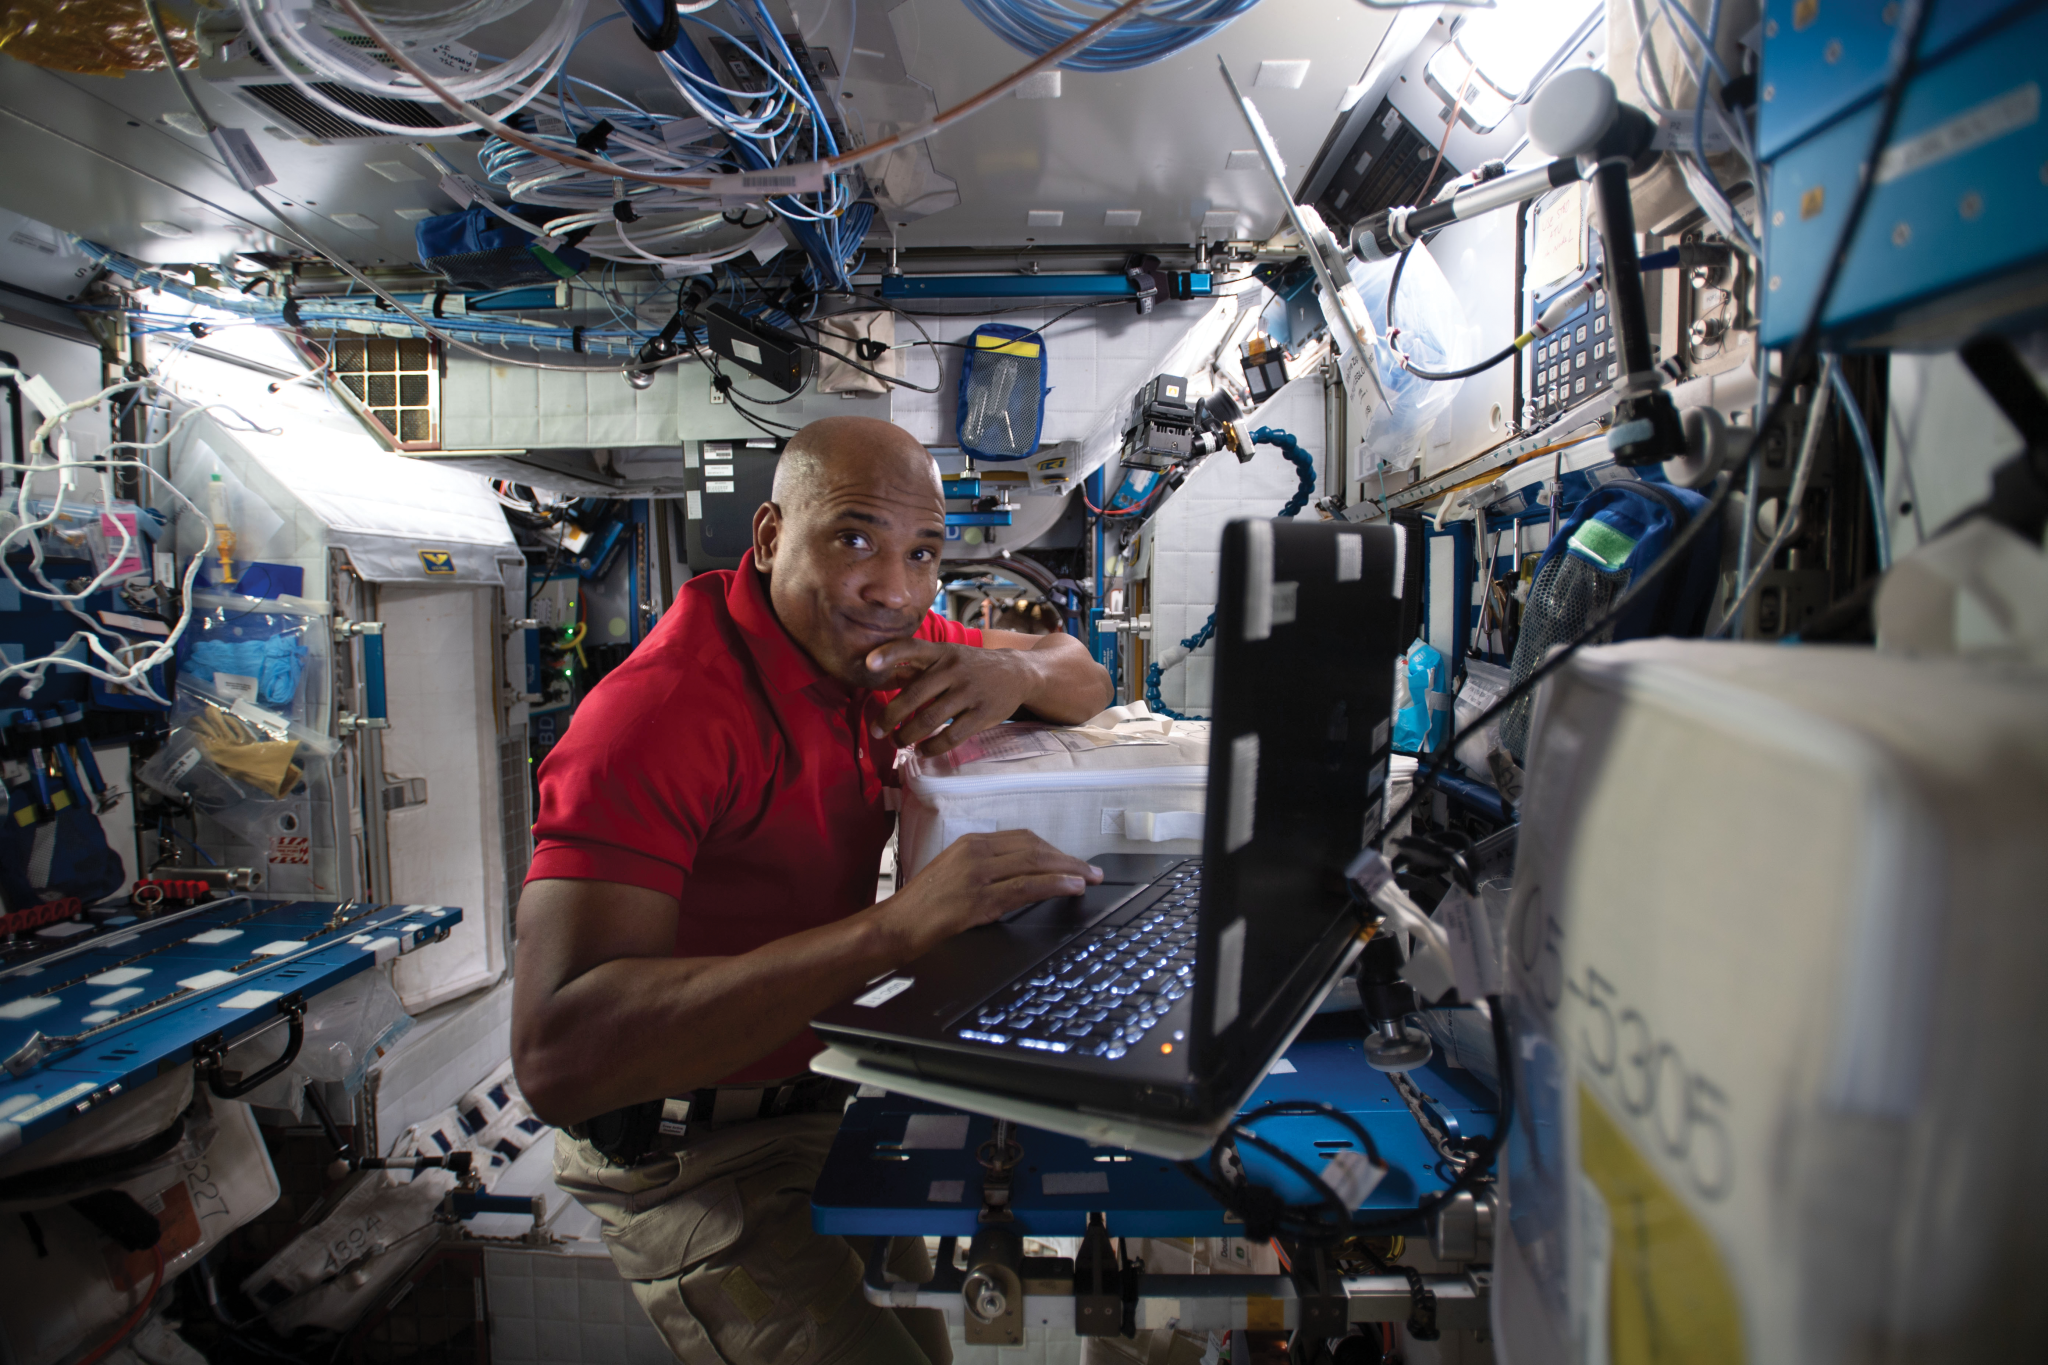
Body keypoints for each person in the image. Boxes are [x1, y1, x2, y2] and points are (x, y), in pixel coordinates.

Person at [512, 415, 1112, 1364]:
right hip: (690, 1154)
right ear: (768, 537)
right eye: (855, 538)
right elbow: (557, 1055)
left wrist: (1004, 669)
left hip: (827, 1105)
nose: (896, 587)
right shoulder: (658, 716)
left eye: (924, 553)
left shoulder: (876, 650)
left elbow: (1086, 676)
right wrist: (895, 931)